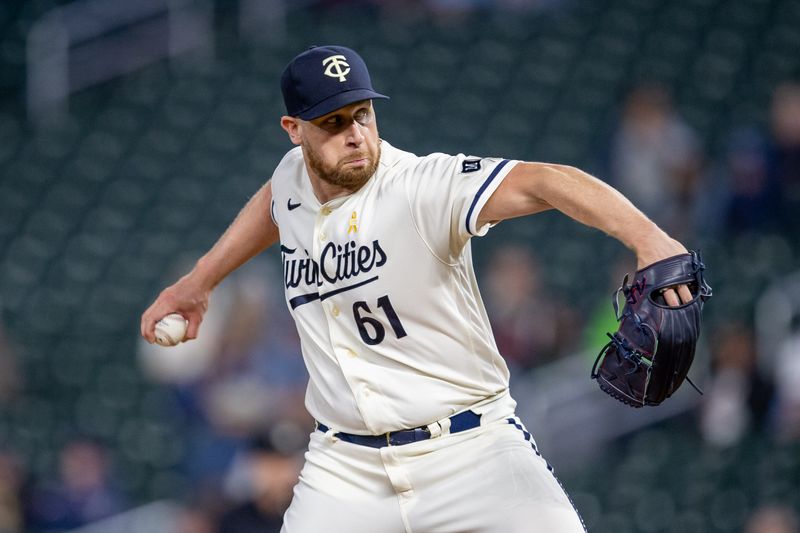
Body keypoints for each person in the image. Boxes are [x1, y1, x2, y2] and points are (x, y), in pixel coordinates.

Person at [141, 45, 694, 532]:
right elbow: (275, 201)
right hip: (346, 469)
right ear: (295, 130)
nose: (355, 134)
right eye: (333, 123)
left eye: (363, 114)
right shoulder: (293, 175)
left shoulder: (421, 186)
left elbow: (545, 180)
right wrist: (200, 281)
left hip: (472, 450)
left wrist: (648, 238)